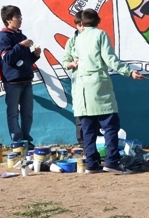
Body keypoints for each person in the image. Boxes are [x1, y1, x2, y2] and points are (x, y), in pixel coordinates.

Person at [71, 9, 144, 174]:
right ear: (98, 20)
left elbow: (71, 61)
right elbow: (110, 58)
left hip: (81, 88)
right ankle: (111, 160)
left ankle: (91, 163)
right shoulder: (100, 35)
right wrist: (129, 72)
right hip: (98, 86)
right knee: (110, 124)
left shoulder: (77, 38)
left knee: (88, 128)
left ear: (82, 22)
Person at [0, 5, 41, 147]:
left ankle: (26, 139)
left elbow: (26, 61)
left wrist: (35, 55)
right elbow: (8, 58)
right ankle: (17, 141)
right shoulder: (3, 38)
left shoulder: (22, 37)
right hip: (12, 82)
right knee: (13, 113)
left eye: (20, 16)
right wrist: (21, 45)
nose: (21, 20)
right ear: (9, 20)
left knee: (27, 113)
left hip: (27, 80)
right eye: (17, 17)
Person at [62, 10, 84, 147]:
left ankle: (99, 143)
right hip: (79, 82)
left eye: (84, 24)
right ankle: (82, 143)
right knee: (80, 113)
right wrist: (71, 64)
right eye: (79, 24)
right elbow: (65, 61)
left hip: (95, 84)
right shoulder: (72, 41)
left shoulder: (98, 38)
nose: (82, 27)